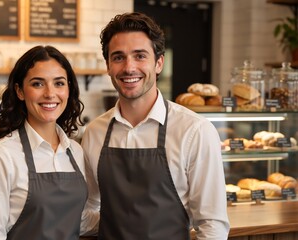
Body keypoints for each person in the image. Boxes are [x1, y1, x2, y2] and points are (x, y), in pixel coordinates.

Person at [81, 12, 230, 239]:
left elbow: (212, 225)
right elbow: (89, 206)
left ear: (159, 63)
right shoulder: (94, 132)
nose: (129, 67)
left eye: (140, 56)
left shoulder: (195, 130)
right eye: (118, 57)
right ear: (109, 66)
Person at [0, 45, 97, 240]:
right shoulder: (0, 155)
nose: (50, 93)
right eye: (38, 84)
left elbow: (76, 219)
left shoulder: (75, 151)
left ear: (68, 90)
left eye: (59, 83)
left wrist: (123, 217)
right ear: (20, 91)